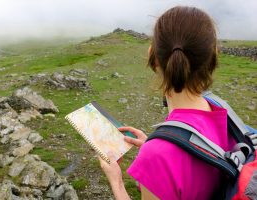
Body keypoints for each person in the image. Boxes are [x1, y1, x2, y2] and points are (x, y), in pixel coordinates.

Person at [99, 6, 236, 200]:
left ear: (153, 57)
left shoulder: (157, 156)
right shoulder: (221, 110)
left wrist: (117, 182)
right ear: (212, 56)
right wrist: (164, 146)